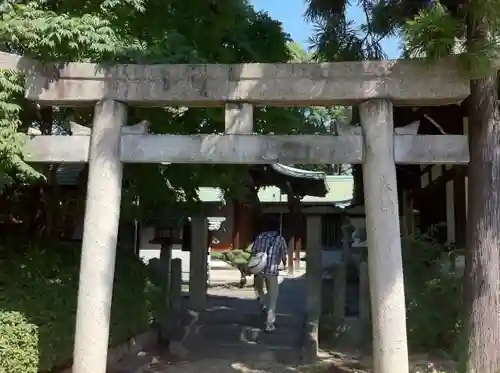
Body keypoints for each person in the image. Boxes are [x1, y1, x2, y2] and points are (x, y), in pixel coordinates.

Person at [251, 215, 287, 332]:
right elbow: (284, 256)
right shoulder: (280, 239)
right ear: (277, 228)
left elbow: (254, 251)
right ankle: (269, 324)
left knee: (259, 289)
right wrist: (283, 263)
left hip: (259, 269)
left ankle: (262, 302)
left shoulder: (260, 236)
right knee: (273, 297)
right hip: (272, 270)